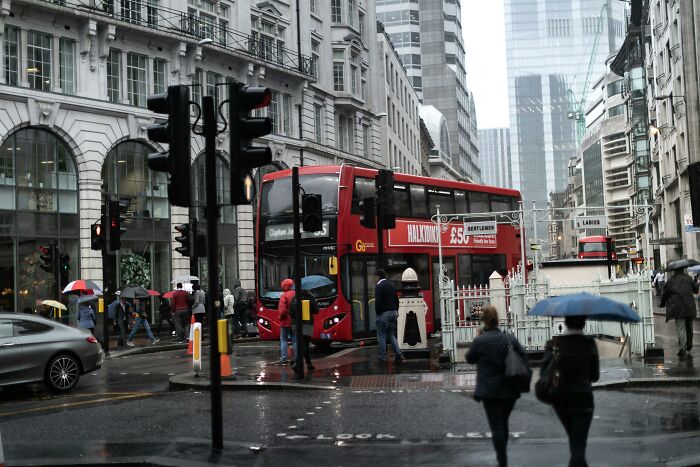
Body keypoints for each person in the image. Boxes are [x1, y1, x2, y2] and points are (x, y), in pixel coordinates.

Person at [466, 306, 527, 467]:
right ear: (497, 320)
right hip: (510, 388)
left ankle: (502, 460)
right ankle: (503, 451)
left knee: (496, 426)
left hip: (489, 391)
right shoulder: (509, 339)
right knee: (504, 422)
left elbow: (470, 358)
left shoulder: (480, 340)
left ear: (484, 322)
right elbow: (523, 357)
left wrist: (477, 338)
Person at [542, 315, 599, 467]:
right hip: (584, 399)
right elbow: (595, 376)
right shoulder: (589, 343)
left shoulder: (554, 344)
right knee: (578, 447)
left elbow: (544, 373)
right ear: (584, 323)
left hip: (561, 399)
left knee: (575, 444)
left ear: (566, 322)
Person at [660, 267, 700, 359]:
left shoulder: (671, 281)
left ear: (675, 271)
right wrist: (697, 283)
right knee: (689, 326)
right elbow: (696, 290)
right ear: (683, 270)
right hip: (689, 306)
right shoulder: (688, 278)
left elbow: (665, 294)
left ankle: (682, 348)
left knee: (681, 327)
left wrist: (662, 303)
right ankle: (689, 344)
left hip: (677, 308)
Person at [374, 269, 404, 364]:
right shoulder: (391, 285)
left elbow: (378, 302)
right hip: (393, 313)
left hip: (384, 314)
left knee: (381, 336)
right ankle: (398, 355)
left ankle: (382, 358)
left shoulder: (379, 286)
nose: (373, 279)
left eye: (374, 277)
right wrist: (395, 310)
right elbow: (397, 300)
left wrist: (378, 313)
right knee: (391, 334)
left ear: (378, 276)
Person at [290, 290, 319, 372]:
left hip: (295, 325)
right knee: (305, 345)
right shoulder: (310, 298)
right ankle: (296, 361)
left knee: (301, 344)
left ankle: (309, 364)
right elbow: (316, 310)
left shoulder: (294, 298)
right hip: (307, 324)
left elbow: (290, 311)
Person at [278, 278, 296, 364]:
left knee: (284, 340)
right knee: (295, 340)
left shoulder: (284, 295)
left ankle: (284, 358)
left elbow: (282, 310)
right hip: (295, 321)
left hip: (285, 322)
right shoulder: (297, 294)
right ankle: (297, 357)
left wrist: (280, 317)